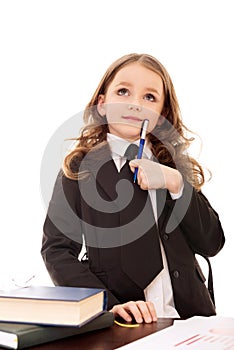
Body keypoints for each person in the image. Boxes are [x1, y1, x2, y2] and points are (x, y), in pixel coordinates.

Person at [41, 53, 225, 324]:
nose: (136, 104)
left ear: (161, 115)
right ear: (102, 104)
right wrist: (106, 306)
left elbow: (211, 243)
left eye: (149, 97)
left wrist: (175, 183)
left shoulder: (172, 166)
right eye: (123, 91)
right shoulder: (79, 168)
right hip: (126, 322)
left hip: (191, 319)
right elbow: (57, 251)